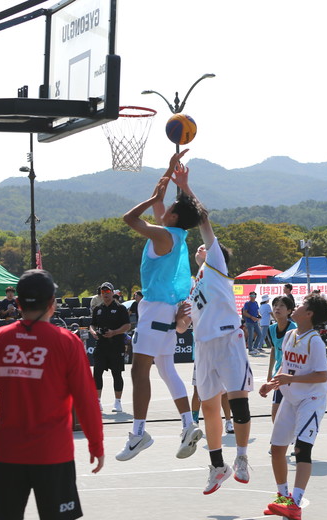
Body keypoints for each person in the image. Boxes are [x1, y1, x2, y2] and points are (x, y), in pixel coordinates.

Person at [0, 269, 104, 520]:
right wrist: (96, 443)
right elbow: (86, 401)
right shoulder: (67, 342)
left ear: (18, 303)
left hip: (9, 453)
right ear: (52, 303)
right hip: (54, 453)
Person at [117, 150, 205, 462]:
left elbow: (129, 219)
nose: (162, 208)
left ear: (174, 216)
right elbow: (161, 200)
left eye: (168, 208)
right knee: (167, 369)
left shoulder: (163, 234)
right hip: (168, 310)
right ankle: (188, 424)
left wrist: (153, 197)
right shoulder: (177, 235)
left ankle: (139, 433)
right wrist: (168, 171)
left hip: (154, 309)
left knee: (139, 371)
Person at [172, 164, 255, 495]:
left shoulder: (216, 264)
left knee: (238, 402)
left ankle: (243, 457)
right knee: (209, 408)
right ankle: (218, 465)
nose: (201, 248)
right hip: (204, 346)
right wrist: (179, 319)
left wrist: (184, 187)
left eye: (205, 247)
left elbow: (203, 219)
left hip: (228, 338)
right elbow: (182, 327)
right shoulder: (194, 286)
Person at [259, 293, 327, 520]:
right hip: (290, 398)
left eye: (301, 305)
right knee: (277, 449)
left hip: (311, 400)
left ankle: (296, 503)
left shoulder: (315, 341)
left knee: (302, 449)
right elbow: (286, 367)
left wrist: (290, 379)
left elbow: (321, 376)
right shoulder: (291, 335)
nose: (297, 306)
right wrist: (272, 383)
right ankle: (282, 497)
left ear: (309, 314)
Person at [90, 282, 131, 413]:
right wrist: (93, 332)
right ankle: (97, 401)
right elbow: (92, 324)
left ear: (113, 293)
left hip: (116, 345)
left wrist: (114, 332)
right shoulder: (98, 309)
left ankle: (117, 402)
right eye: (103, 292)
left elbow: (127, 325)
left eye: (107, 292)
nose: (105, 295)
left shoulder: (120, 308)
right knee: (97, 373)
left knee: (116, 373)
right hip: (101, 345)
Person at [265, 295, 297, 422]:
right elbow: (274, 349)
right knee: (276, 414)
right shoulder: (271, 329)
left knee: (291, 413)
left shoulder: (294, 329)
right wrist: (270, 374)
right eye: (275, 305)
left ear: (289, 311)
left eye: (281, 305)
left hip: (293, 376)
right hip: (279, 375)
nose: (277, 308)